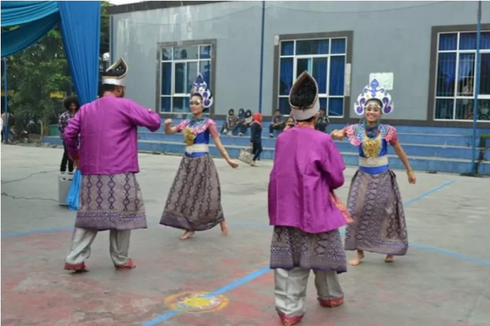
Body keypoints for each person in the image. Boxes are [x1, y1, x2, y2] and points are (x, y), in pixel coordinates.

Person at [63, 58, 161, 272]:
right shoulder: (126, 105)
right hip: (120, 171)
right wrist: (151, 112)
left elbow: (69, 133)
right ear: (118, 88)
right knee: (122, 216)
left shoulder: (86, 109)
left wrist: (75, 155)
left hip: (91, 174)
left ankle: (74, 257)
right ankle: (120, 259)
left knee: (89, 215)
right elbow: (154, 123)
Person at [268, 71, 347, 326]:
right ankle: (330, 296)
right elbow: (337, 177)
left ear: (292, 112)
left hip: (286, 210)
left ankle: (289, 310)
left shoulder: (282, 139)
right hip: (316, 210)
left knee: (290, 263)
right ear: (317, 112)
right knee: (323, 255)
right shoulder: (323, 140)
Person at [330, 78, 416, 266]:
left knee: (387, 213)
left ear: (381, 112)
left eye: (375, 109)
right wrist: (335, 134)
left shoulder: (388, 131)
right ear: (363, 109)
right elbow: (338, 134)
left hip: (383, 177)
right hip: (363, 177)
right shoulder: (355, 129)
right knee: (357, 211)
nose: (371, 112)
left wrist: (409, 170)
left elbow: (399, 150)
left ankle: (390, 249)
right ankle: (359, 252)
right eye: (368, 108)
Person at [160, 73, 239, 240]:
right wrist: (166, 126)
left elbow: (217, 142)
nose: (193, 105)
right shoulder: (187, 122)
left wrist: (228, 159)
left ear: (204, 105)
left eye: (197, 103)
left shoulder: (208, 123)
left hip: (202, 162)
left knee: (206, 195)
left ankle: (219, 220)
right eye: (191, 103)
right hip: (187, 162)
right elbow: (170, 132)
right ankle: (190, 227)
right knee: (186, 193)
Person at [58, 96, 80, 174]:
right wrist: (67, 134)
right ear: (68, 105)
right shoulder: (64, 116)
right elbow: (61, 127)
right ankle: (62, 170)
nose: (72, 107)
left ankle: (71, 171)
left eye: (74, 105)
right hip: (67, 138)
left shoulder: (80, 114)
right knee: (67, 154)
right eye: (71, 105)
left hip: (78, 139)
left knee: (74, 154)